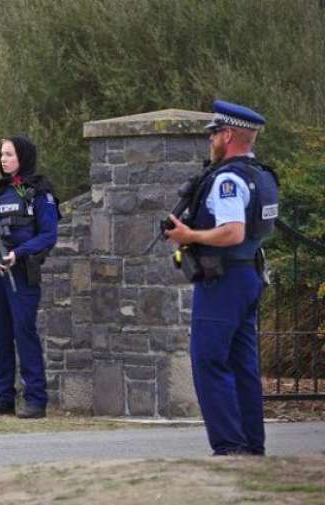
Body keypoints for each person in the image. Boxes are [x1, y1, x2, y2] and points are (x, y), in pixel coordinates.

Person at [165, 100, 279, 456]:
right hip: (247, 276)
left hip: (223, 280)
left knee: (209, 360)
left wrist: (190, 237)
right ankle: (251, 445)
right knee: (243, 364)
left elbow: (232, 232)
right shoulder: (258, 174)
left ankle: (230, 446)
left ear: (227, 135)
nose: (211, 140)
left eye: (214, 133)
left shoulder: (227, 180)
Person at [0, 134, 60, 419]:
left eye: (9, 154)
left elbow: (48, 235)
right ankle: (3, 398)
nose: (3, 159)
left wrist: (18, 253)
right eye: (1, 154)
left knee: (24, 332)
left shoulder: (38, 191)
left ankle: (35, 400)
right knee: (0, 334)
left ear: (23, 157)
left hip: (20, 272)